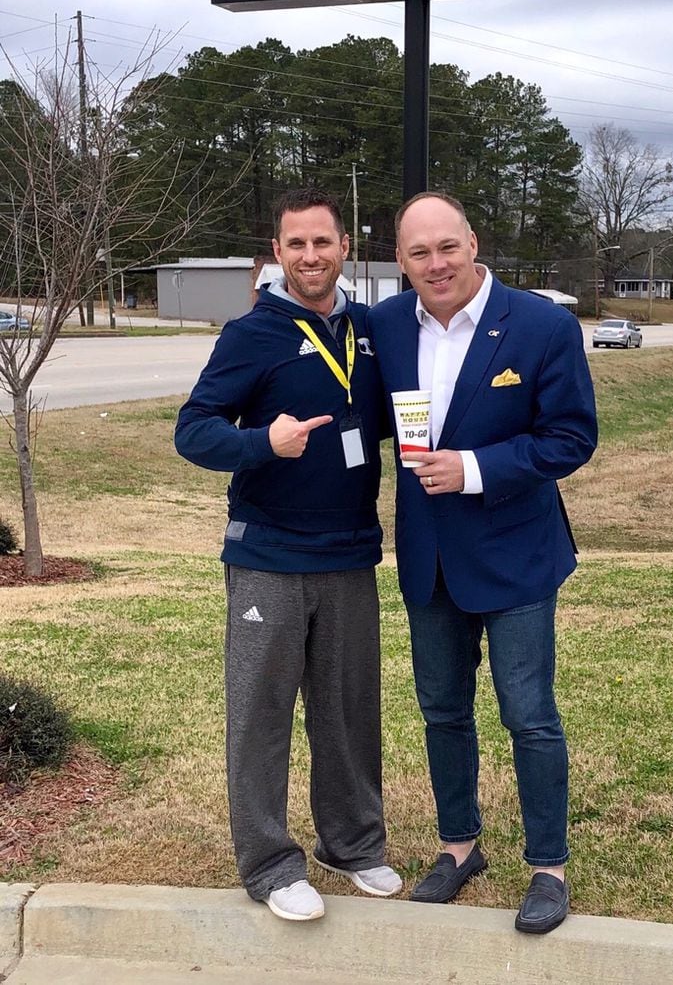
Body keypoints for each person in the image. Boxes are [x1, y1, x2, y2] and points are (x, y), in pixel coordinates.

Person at [368, 192, 597, 935]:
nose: (436, 264)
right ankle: (459, 847)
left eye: (447, 247)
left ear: (473, 243)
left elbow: (570, 439)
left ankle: (548, 867)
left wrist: (471, 467)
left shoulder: (541, 326)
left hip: (517, 555)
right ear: (400, 261)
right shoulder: (385, 327)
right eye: (418, 253)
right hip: (429, 558)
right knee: (442, 711)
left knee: (528, 716)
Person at [175, 188, 401, 922]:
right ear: (277, 252)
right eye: (296, 244)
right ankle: (270, 864)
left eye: (323, 243)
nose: (311, 256)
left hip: (349, 555)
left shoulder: (368, 332)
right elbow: (194, 429)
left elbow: (390, 416)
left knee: (347, 713)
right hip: (268, 553)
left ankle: (353, 843)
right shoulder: (252, 333)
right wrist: (259, 444)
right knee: (262, 714)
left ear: (345, 249)